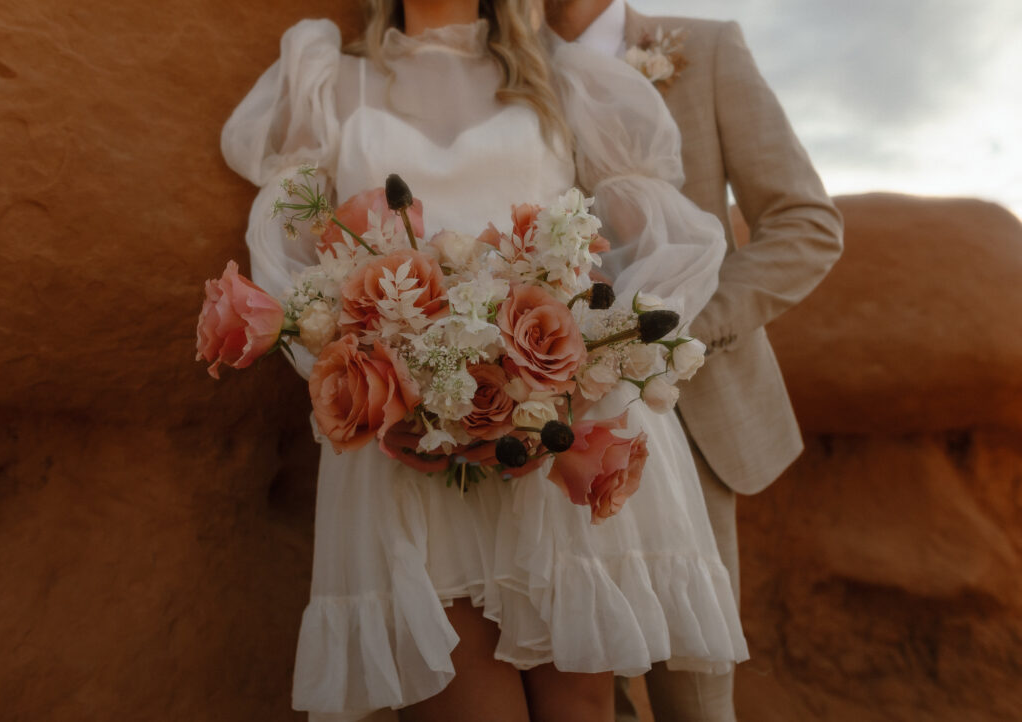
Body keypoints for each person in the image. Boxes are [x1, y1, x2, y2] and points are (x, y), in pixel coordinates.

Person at [220, 1, 749, 720]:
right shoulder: (326, 79)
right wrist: (392, 389)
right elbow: (292, 269)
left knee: (580, 703)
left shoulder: (566, 79)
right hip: (407, 442)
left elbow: (656, 243)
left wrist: (575, 373)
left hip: (559, 424)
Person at [545, 1, 845, 720]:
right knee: (581, 692)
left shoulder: (706, 51)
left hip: (686, 415)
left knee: (696, 698)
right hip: (548, 437)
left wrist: (676, 332)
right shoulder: (496, 69)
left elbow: (806, 224)